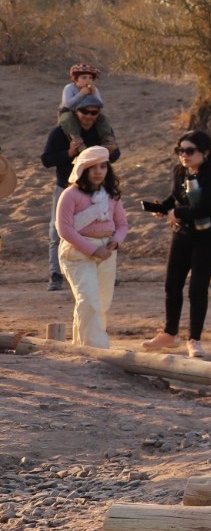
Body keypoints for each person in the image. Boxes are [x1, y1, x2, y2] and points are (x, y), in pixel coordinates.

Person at [139, 132, 211, 358]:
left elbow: (206, 209)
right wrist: (163, 208)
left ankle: (194, 339)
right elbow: (175, 197)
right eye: (180, 151)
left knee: (197, 288)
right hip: (183, 234)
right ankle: (170, 333)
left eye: (190, 151)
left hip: (209, 237)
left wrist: (176, 212)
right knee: (172, 284)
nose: (184, 155)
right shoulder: (180, 172)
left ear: (205, 153)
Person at [41, 95, 121, 292]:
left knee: (101, 226)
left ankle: (101, 269)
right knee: (58, 230)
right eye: (85, 112)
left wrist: (109, 151)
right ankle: (56, 274)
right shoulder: (61, 132)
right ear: (75, 112)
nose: (89, 116)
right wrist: (69, 154)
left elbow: (114, 156)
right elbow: (47, 160)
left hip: (97, 189)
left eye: (94, 112)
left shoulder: (102, 130)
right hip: (67, 187)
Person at [54, 146, 127, 348]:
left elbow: (122, 224)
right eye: (93, 167)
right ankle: (97, 348)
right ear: (83, 169)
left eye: (103, 167)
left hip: (107, 252)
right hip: (77, 252)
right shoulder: (70, 195)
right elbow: (64, 229)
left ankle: (82, 346)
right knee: (88, 299)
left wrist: (116, 241)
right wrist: (93, 250)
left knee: (101, 302)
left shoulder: (111, 195)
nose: (98, 172)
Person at [59, 63, 118, 150]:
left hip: (87, 113)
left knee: (103, 117)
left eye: (90, 78)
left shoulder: (94, 89)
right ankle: (78, 142)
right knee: (68, 118)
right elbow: (67, 104)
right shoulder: (69, 88)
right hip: (69, 112)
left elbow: (100, 105)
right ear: (75, 79)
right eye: (84, 78)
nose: (88, 80)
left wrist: (93, 94)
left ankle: (107, 140)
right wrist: (81, 94)